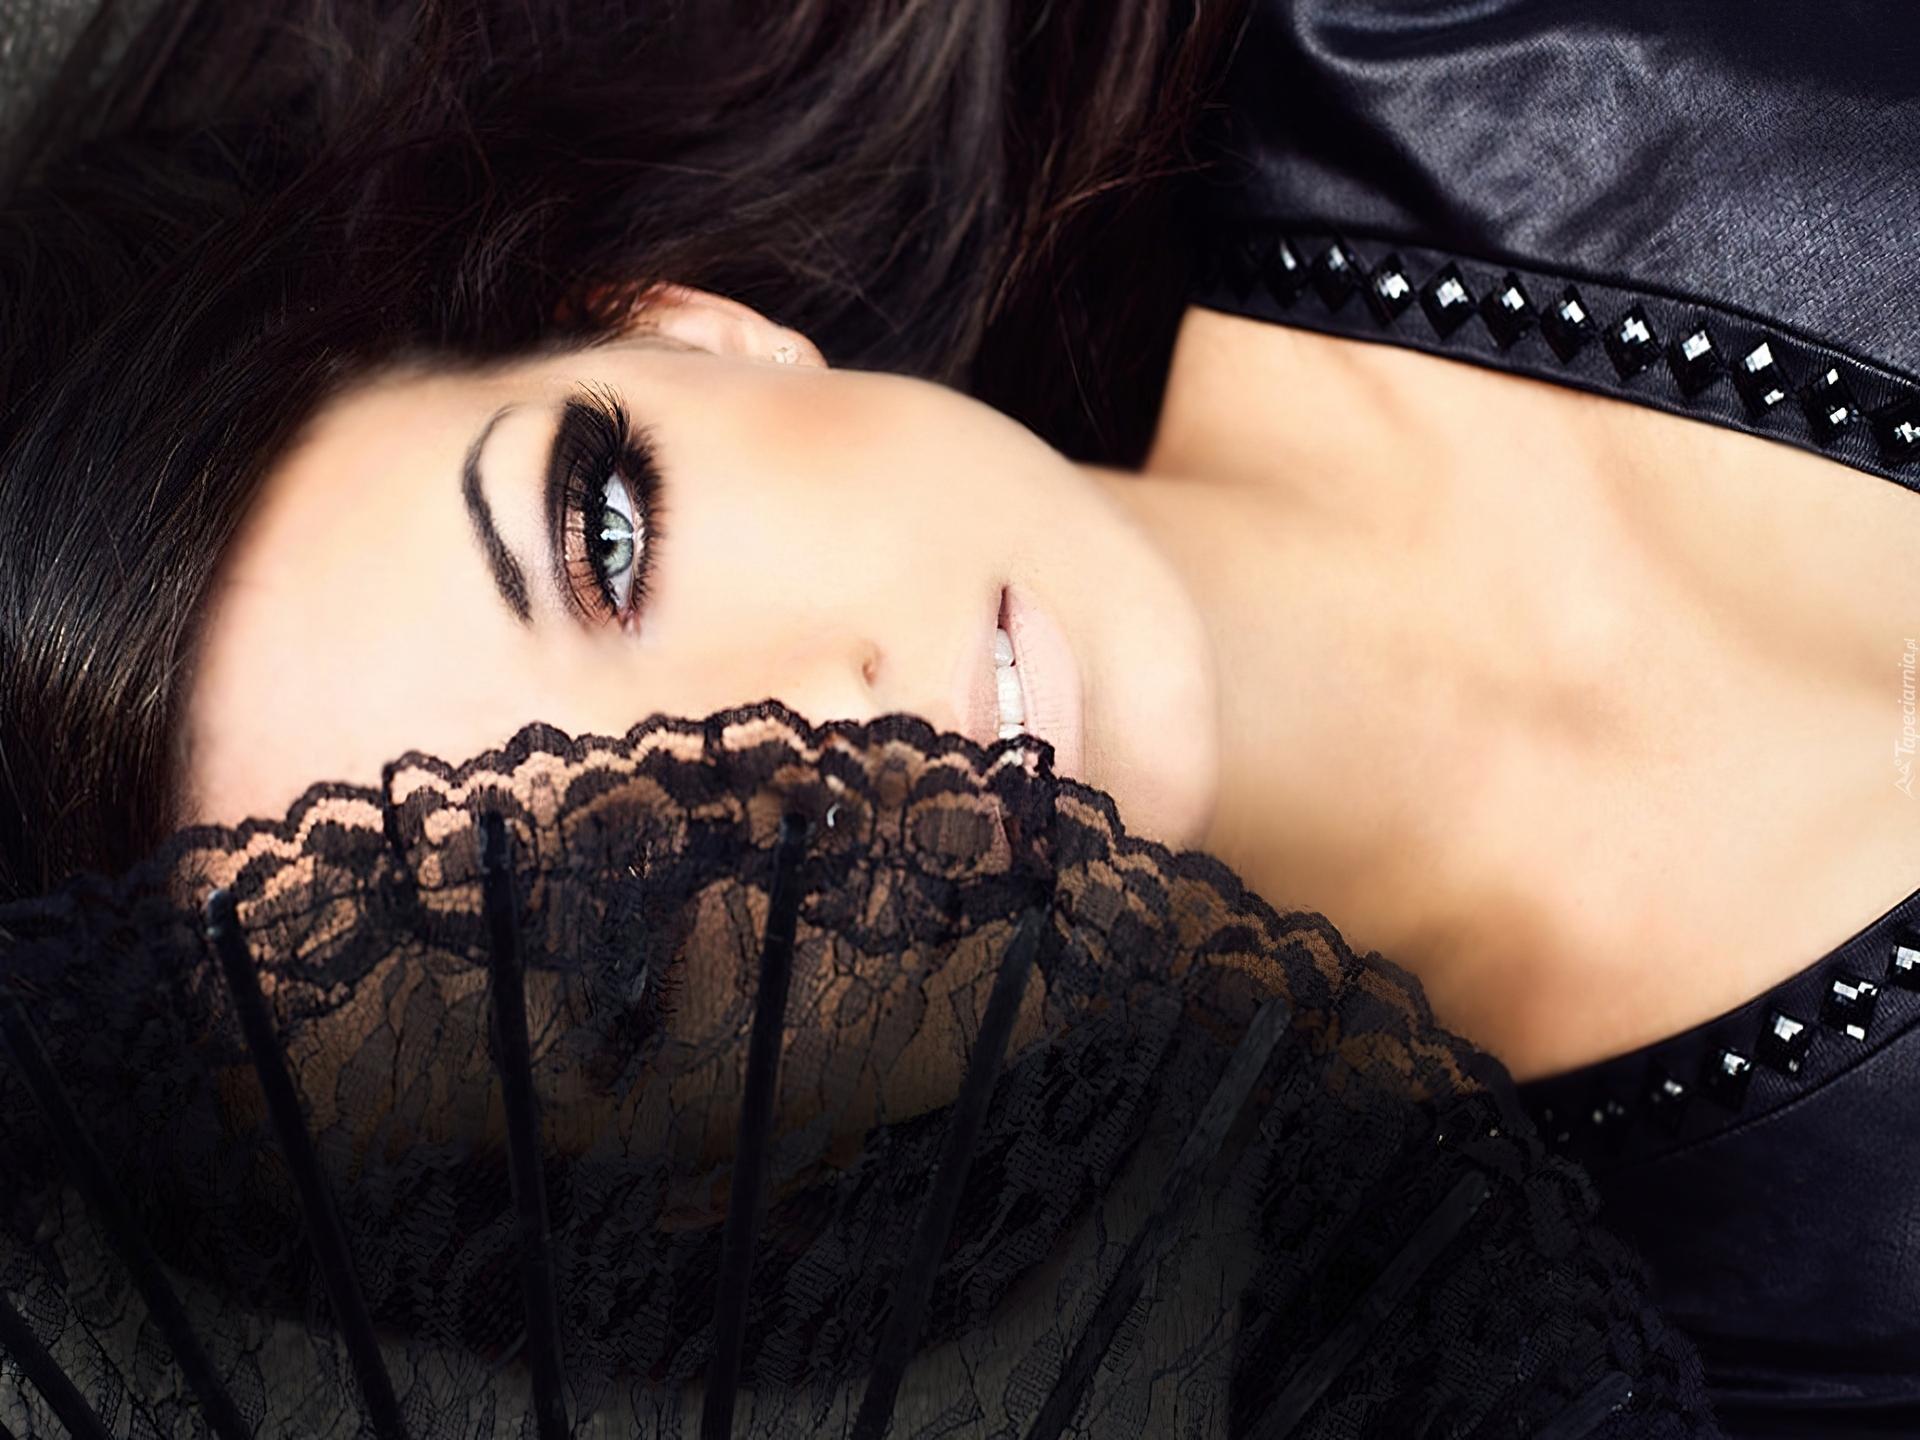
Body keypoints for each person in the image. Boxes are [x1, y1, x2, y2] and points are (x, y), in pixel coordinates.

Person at [0, 0, 1898, 1433]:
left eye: (604, 537)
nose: (808, 747)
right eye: (616, 950)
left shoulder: (1472, 35)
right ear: (735, 1175)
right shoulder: (1690, 1379)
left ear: (680, 328)